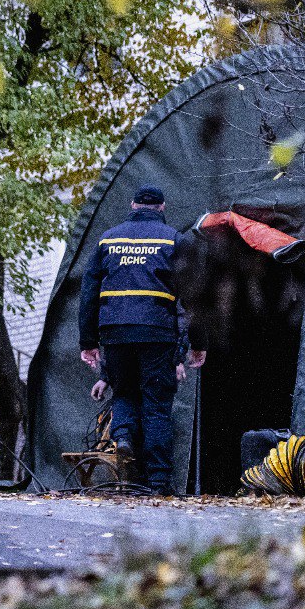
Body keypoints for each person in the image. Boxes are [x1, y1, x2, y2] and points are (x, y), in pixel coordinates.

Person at [79, 185, 206, 496]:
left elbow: (88, 294)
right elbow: (194, 297)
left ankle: (122, 437)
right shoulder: (173, 240)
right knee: (157, 405)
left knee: (124, 394)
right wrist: (198, 343)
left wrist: (88, 342)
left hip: (115, 331)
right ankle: (159, 481)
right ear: (162, 208)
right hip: (156, 332)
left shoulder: (108, 239)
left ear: (132, 204)